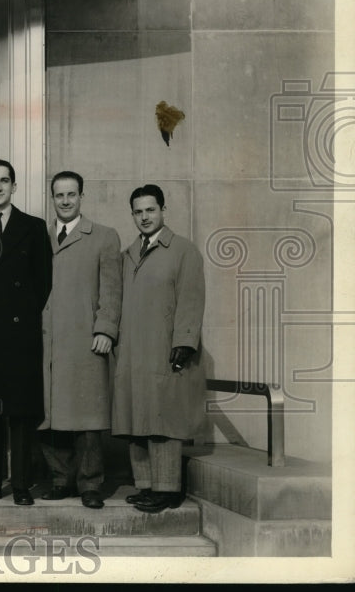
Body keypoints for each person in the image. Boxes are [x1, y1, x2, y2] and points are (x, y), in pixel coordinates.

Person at [112, 184, 206, 513]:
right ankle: (147, 486)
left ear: (163, 210)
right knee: (137, 421)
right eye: (138, 212)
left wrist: (184, 341)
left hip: (166, 349)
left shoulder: (183, 250)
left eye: (150, 210)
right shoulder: (128, 255)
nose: (144, 217)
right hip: (133, 352)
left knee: (164, 422)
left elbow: (191, 300)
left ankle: (168, 490)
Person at [0, 159, 52, 506]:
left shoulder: (33, 227)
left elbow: (43, 281)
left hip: (20, 336)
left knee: (20, 415)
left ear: (14, 186)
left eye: (5, 181)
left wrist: (26, 317)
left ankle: (20, 485)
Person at [39, 171, 121, 510]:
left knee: (87, 417)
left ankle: (90, 484)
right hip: (46, 341)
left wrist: (105, 329)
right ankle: (60, 480)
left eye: (72, 194)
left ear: (81, 197)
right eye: (59, 195)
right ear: (52, 198)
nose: (66, 201)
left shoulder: (103, 237)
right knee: (50, 415)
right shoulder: (40, 237)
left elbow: (112, 289)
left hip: (85, 340)